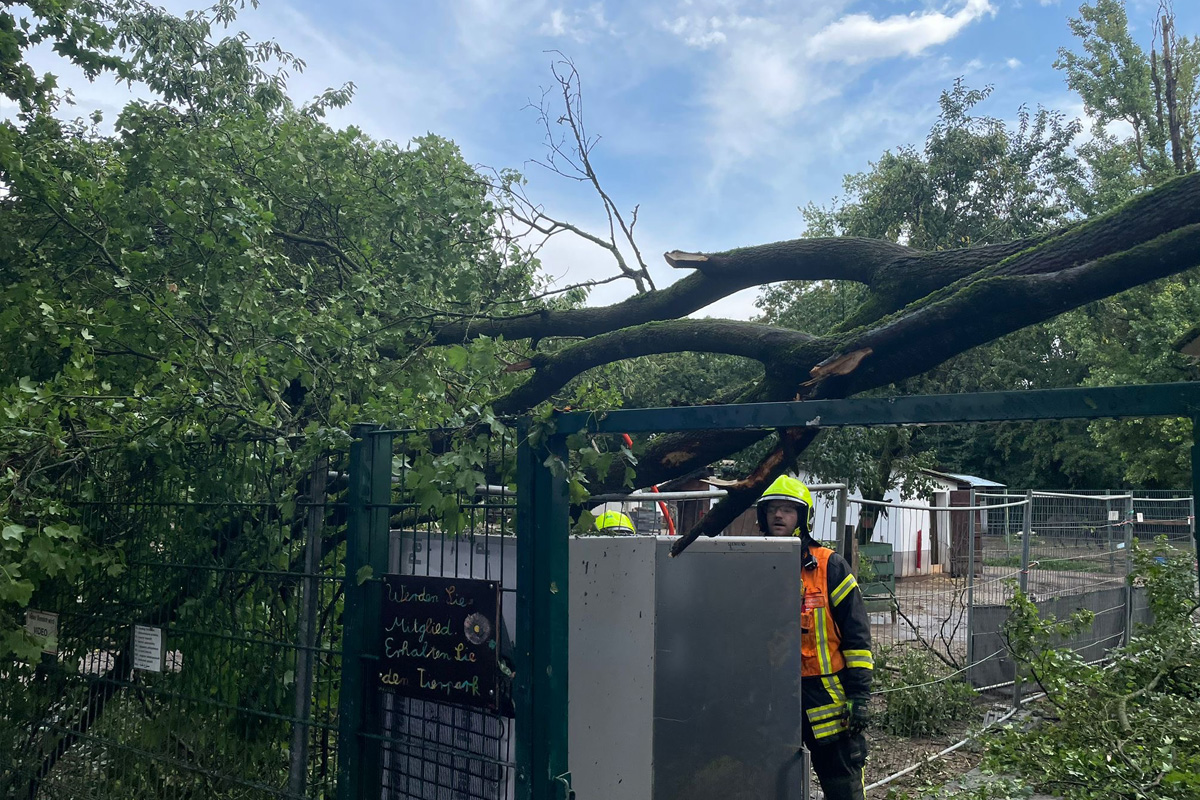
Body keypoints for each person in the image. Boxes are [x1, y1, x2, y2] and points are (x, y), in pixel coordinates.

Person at [757, 475, 873, 800]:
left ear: (803, 516)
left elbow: (857, 637)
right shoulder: (753, 563)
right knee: (771, 784)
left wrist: (860, 695)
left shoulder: (829, 566)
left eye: (787, 509)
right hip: (772, 695)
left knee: (842, 784)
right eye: (772, 509)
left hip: (826, 697)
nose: (778, 515)